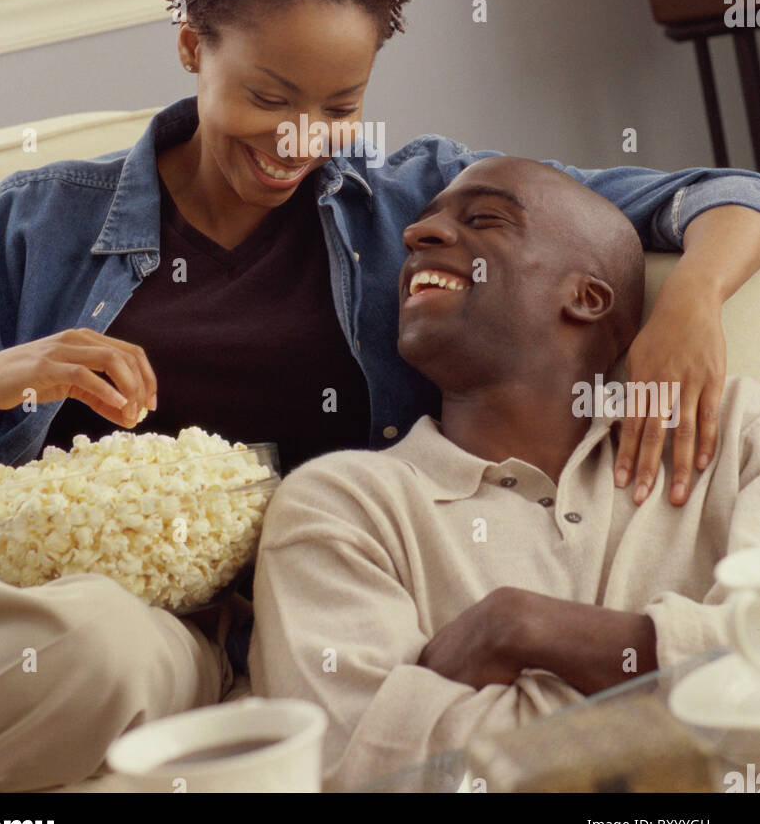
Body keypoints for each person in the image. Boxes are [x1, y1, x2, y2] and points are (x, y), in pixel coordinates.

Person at [0, 0, 759, 792]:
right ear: (194, 47)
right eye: (269, 98)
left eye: (340, 108)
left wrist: (690, 303)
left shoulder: (414, 204)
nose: (300, 141)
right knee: (84, 640)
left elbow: (708, 197)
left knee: (120, 663)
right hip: (75, 603)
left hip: (288, 611)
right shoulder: (39, 224)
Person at [247, 156, 760, 791]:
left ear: (587, 296)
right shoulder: (341, 504)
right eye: (421, 223)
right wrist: (703, 695)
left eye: (485, 220)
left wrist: (523, 627)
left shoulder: (738, 430)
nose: (416, 235)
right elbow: (365, 770)